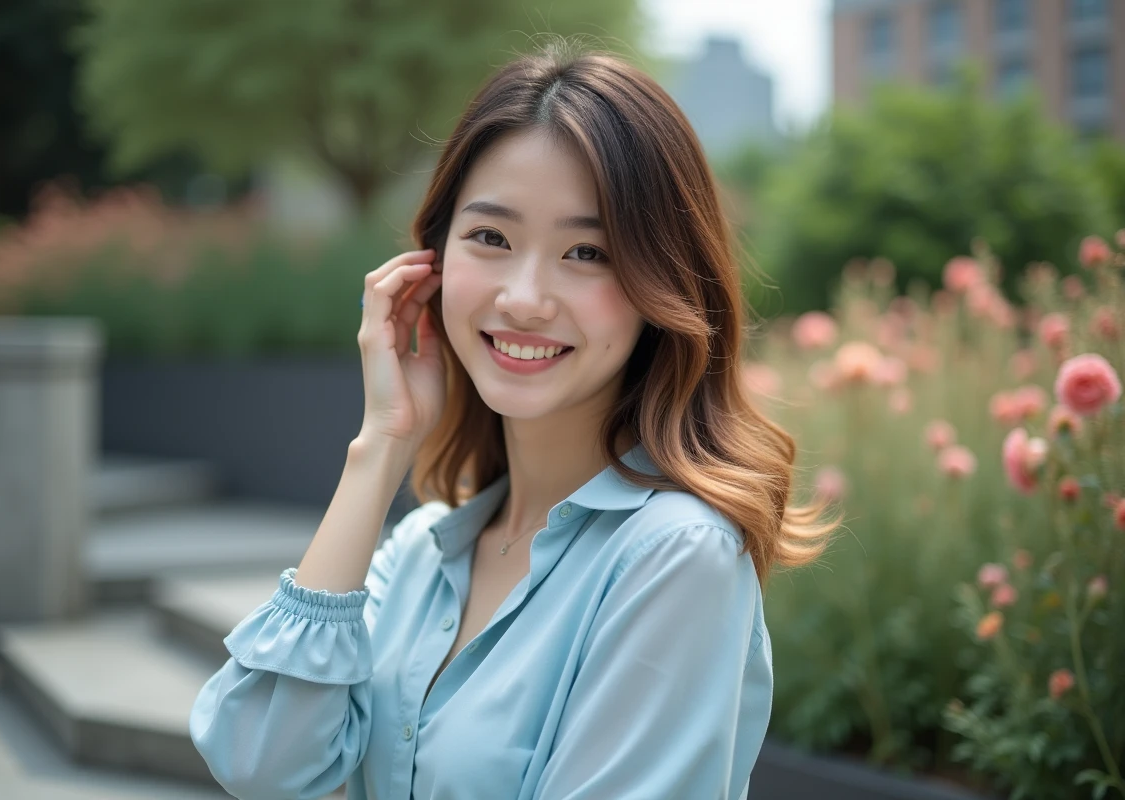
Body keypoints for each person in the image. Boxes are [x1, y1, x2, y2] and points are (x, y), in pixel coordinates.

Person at [189, 39, 838, 800]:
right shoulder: (423, 554)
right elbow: (259, 764)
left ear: (660, 283)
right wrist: (381, 446)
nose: (525, 298)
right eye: (491, 238)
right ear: (432, 264)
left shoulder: (677, 558)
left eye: (587, 252)